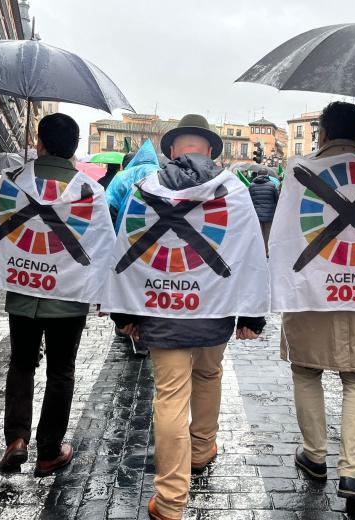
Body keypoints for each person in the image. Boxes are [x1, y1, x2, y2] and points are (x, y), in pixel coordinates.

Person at [109, 114, 266, 520]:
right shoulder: (233, 190)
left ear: (173, 149)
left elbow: (126, 250)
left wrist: (123, 313)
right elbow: (250, 252)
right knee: (209, 377)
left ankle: (170, 500)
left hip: (160, 311)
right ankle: (201, 449)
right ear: (211, 150)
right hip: (214, 309)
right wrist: (251, 315)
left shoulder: (146, 188)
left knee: (170, 397)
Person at [282, 102, 355, 509]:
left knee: (306, 370)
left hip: (312, 291)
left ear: (322, 133)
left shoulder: (299, 172)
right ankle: (353, 473)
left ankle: (314, 456)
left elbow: (285, 235)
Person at [0, 113, 90, 477]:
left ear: (39, 143)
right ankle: (49, 450)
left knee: (21, 363)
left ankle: (15, 439)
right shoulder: (88, 190)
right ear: (75, 146)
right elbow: (98, 243)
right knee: (61, 371)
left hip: (22, 291)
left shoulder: (12, 182)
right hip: (68, 295)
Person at [248, 171, 279, 254]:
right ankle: (267, 251)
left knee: (258, 234)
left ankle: (258, 253)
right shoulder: (272, 185)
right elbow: (277, 199)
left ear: (257, 175)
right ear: (267, 175)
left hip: (256, 214)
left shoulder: (251, 186)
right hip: (269, 214)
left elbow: (248, 200)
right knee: (267, 234)